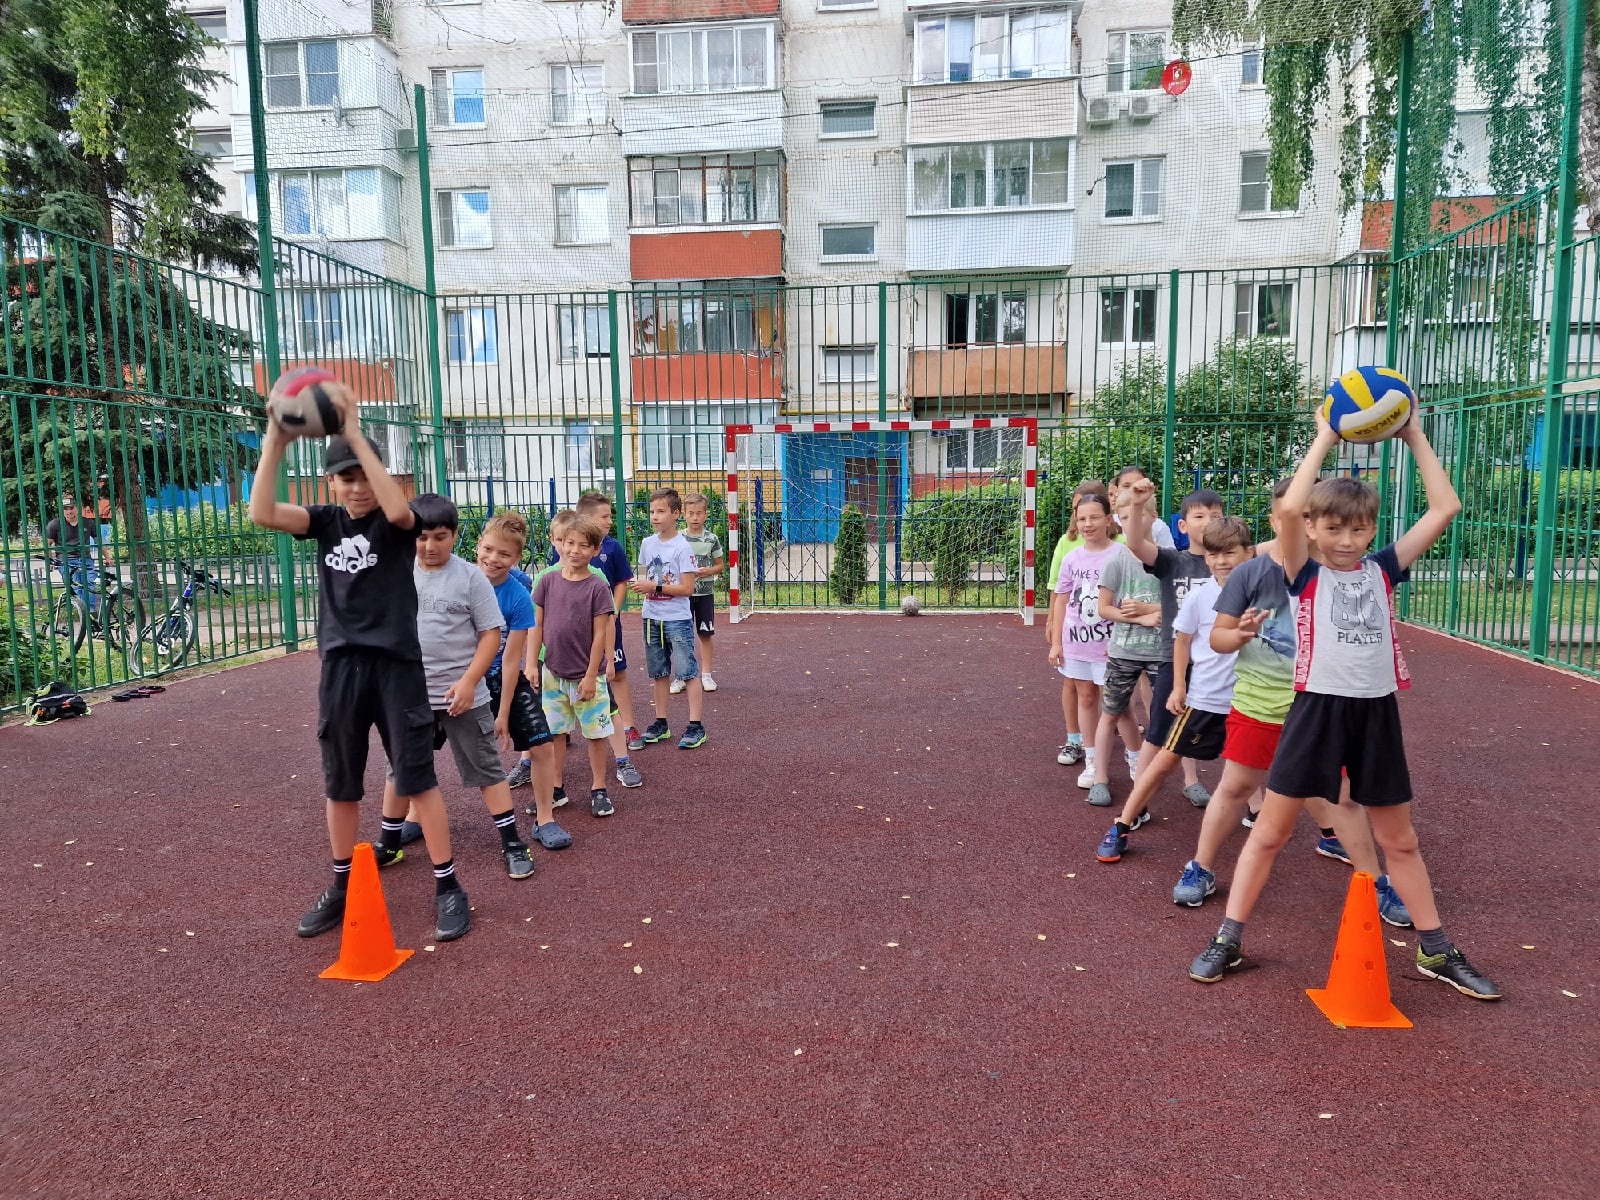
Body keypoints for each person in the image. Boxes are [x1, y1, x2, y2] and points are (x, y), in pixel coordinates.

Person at [1188, 413, 1500, 1000]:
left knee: (1400, 840)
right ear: (1311, 529)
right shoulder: (1299, 572)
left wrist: (1412, 436)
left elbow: (1444, 508)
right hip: (1314, 713)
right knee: (1272, 833)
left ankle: (1436, 948)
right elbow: (1287, 512)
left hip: (1376, 714)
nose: (1348, 541)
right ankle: (1228, 936)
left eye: (1359, 530)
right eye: (1333, 528)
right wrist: (1327, 435)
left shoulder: (1383, 570)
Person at [248, 404, 470, 943]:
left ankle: (448, 887)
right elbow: (261, 513)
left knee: (416, 778)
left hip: (397, 669)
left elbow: (398, 513)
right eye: (345, 479)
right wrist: (276, 440)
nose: (356, 488)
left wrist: (352, 430)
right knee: (341, 783)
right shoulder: (323, 522)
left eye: (365, 476)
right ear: (331, 482)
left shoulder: (397, 525)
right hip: (342, 669)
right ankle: (342, 883)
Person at [1171, 481, 1406, 920]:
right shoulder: (1251, 573)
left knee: (1343, 796)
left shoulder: (1348, 573)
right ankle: (1200, 866)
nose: (1294, 525)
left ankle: (1376, 883)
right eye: (1286, 516)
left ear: (1315, 525)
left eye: (1302, 518)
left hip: (1322, 708)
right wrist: (1236, 633)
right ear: (1276, 521)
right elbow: (1218, 636)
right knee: (1237, 787)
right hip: (1261, 703)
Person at [372, 494, 536, 880]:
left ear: (456, 536)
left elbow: (491, 635)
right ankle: (389, 843)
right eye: (421, 537)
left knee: (487, 770)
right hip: (410, 696)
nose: (430, 546)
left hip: (465, 696)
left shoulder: (470, 577)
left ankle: (513, 842)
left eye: (440, 537)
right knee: (400, 769)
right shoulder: (395, 571)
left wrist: (468, 682)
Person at [1095, 517, 1254, 863]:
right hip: (1204, 700)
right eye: (1214, 554)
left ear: (1249, 553)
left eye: (1230, 553)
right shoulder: (1200, 595)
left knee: (1260, 765)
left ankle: (1326, 832)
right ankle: (1122, 822)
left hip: (1248, 702)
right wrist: (1179, 685)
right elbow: (1181, 641)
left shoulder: (1262, 592)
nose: (1221, 561)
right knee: (1165, 760)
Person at [1098, 482, 1225, 807]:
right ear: (1182, 525)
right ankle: (1135, 806)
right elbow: (1136, 542)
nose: (1209, 521)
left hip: (1223, 665)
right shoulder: (1173, 561)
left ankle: (1253, 807)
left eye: (1215, 515)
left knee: (1237, 738)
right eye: (1200, 515)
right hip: (1176, 662)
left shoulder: (1232, 564)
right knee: (1158, 734)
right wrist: (1138, 506)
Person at [473, 510, 569, 852]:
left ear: (516, 558)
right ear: (478, 546)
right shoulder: (462, 582)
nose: (494, 559)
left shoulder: (517, 594)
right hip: (457, 678)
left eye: (505, 554)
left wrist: (502, 712)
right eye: (489, 549)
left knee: (541, 744)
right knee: (420, 743)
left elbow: (511, 658)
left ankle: (545, 818)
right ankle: (411, 816)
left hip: (500, 677)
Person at [531, 512, 619, 819]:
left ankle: (598, 788)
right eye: (569, 543)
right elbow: (536, 626)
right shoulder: (547, 580)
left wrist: (592, 674)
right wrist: (532, 663)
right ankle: (556, 788)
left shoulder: (597, 586)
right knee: (555, 734)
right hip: (552, 673)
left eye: (583, 545)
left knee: (595, 734)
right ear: (559, 544)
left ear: (595, 550)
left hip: (586, 677)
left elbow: (600, 634)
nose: (574, 550)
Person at [1047, 493, 1119, 784]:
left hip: (1109, 646)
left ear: (1108, 520)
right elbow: (1062, 600)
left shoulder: (1119, 555)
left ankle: (1129, 761)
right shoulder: (1071, 557)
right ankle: (1091, 760)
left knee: (1116, 706)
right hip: (1076, 643)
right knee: (1086, 698)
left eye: (1094, 517)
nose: (1088, 523)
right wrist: (1057, 642)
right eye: (1081, 518)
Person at [631, 488, 706, 749]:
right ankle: (660, 722)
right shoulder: (647, 544)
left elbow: (687, 588)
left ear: (676, 514)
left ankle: (696, 726)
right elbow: (646, 576)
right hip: (651, 617)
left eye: (661, 511)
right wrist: (644, 585)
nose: (655, 516)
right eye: (652, 511)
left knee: (688, 673)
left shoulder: (683, 547)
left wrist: (655, 587)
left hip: (677, 618)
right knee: (659, 673)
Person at [675, 491, 726, 696]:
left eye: (699, 513)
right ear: (684, 515)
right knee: (680, 636)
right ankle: (681, 676)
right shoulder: (678, 538)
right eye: (691, 513)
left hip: (705, 595)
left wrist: (708, 571)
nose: (695, 517)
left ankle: (706, 674)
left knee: (705, 634)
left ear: (705, 514)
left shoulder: (711, 539)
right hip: (682, 595)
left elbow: (720, 565)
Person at [45, 492, 109, 611]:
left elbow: (98, 542)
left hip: (85, 559)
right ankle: (85, 612)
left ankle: (89, 612)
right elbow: (47, 544)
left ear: (77, 509)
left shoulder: (88, 522)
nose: (69, 512)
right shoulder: (55, 524)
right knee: (76, 584)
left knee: (89, 583)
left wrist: (108, 557)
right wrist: (50, 562)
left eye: (71, 508)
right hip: (65, 560)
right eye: (66, 509)